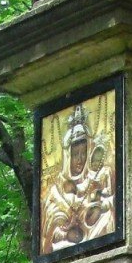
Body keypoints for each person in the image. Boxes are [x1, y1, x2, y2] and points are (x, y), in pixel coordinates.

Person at [40, 99, 116, 253]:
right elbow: (48, 229)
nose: (80, 159)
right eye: (75, 154)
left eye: (83, 153)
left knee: (106, 219)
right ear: (67, 156)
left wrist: (99, 209)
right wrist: (65, 229)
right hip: (65, 244)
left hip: (95, 239)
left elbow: (111, 202)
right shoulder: (55, 191)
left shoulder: (97, 178)